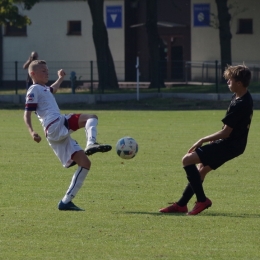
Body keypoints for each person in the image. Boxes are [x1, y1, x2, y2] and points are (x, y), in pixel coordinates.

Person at [159, 64, 253, 215]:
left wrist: (202, 139)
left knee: (187, 160)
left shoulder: (241, 104)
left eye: (230, 80)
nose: (228, 83)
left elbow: (226, 132)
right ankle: (181, 205)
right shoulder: (241, 96)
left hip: (230, 144)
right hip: (236, 145)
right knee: (201, 170)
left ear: (239, 83)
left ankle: (202, 200)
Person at [24, 60, 112, 211]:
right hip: (56, 124)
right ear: (33, 73)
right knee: (92, 117)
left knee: (85, 163)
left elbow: (53, 89)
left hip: (54, 133)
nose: (47, 73)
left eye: (47, 70)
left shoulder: (43, 88)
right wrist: (32, 131)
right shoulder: (33, 89)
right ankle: (91, 142)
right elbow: (26, 113)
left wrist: (60, 78)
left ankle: (66, 201)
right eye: (43, 71)